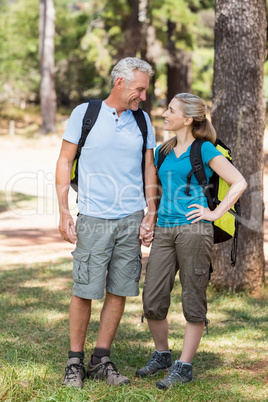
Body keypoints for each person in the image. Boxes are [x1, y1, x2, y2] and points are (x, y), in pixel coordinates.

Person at [55, 57, 157, 388]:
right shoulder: (85, 114)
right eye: (139, 89)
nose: (142, 96)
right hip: (94, 216)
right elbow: (64, 159)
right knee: (85, 288)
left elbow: (148, 169)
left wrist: (150, 210)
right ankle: (74, 362)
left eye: (145, 90)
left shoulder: (143, 121)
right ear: (119, 83)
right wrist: (64, 211)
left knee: (120, 289)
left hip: (130, 218)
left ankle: (101, 359)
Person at [135, 93, 247, 389]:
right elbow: (159, 190)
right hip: (164, 230)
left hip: (195, 231)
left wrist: (214, 213)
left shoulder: (205, 149)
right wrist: (151, 218)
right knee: (152, 298)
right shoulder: (164, 150)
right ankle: (162, 355)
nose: (165, 113)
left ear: (188, 119)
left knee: (192, 298)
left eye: (171, 110)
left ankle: (184, 366)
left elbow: (239, 181)